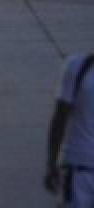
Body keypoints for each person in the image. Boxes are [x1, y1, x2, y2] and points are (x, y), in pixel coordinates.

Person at [45, 51, 94, 205]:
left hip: (78, 172)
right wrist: (51, 164)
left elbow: (59, 119)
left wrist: (51, 164)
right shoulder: (78, 68)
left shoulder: (78, 67)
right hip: (79, 173)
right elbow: (59, 119)